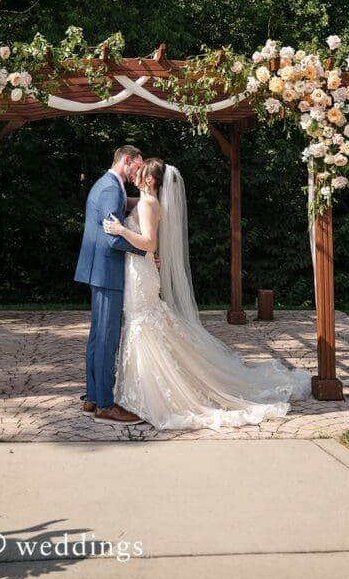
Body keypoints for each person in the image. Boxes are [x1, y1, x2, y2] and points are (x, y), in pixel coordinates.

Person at [103, 159, 312, 430]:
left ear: (150, 180)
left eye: (141, 172)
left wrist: (121, 230)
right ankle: (139, 389)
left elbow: (150, 243)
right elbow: (133, 210)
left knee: (141, 323)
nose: (135, 174)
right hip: (141, 270)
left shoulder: (147, 204)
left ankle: (147, 393)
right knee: (143, 323)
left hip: (140, 274)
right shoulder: (147, 202)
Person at [74, 145, 147, 424]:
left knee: (98, 337)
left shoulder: (110, 185)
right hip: (106, 271)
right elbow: (112, 238)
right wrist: (146, 251)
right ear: (127, 160)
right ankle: (105, 405)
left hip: (100, 270)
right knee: (106, 339)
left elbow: (119, 208)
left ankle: (93, 398)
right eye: (138, 166)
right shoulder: (111, 189)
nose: (139, 172)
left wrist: (144, 201)